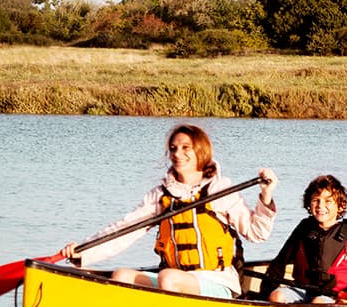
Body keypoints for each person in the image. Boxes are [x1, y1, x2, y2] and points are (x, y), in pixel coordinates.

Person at [59, 124, 278, 297]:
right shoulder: (161, 195)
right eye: (173, 148)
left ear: (201, 151)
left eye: (185, 148)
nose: (177, 154)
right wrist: (84, 251)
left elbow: (257, 233)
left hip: (216, 282)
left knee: (168, 279)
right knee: (121, 276)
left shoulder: (220, 190)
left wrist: (266, 195)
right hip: (174, 279)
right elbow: (124, 230)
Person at [260, 175, 347, 303]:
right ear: (309, 203)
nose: (320, 205)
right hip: (303, 290)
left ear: (340, 206)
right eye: (316, 200)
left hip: (335, 296)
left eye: (328, 201)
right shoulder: (303, 229)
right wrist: (264, 296)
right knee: (277, 296)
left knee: (318, 302)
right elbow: (279, 263)